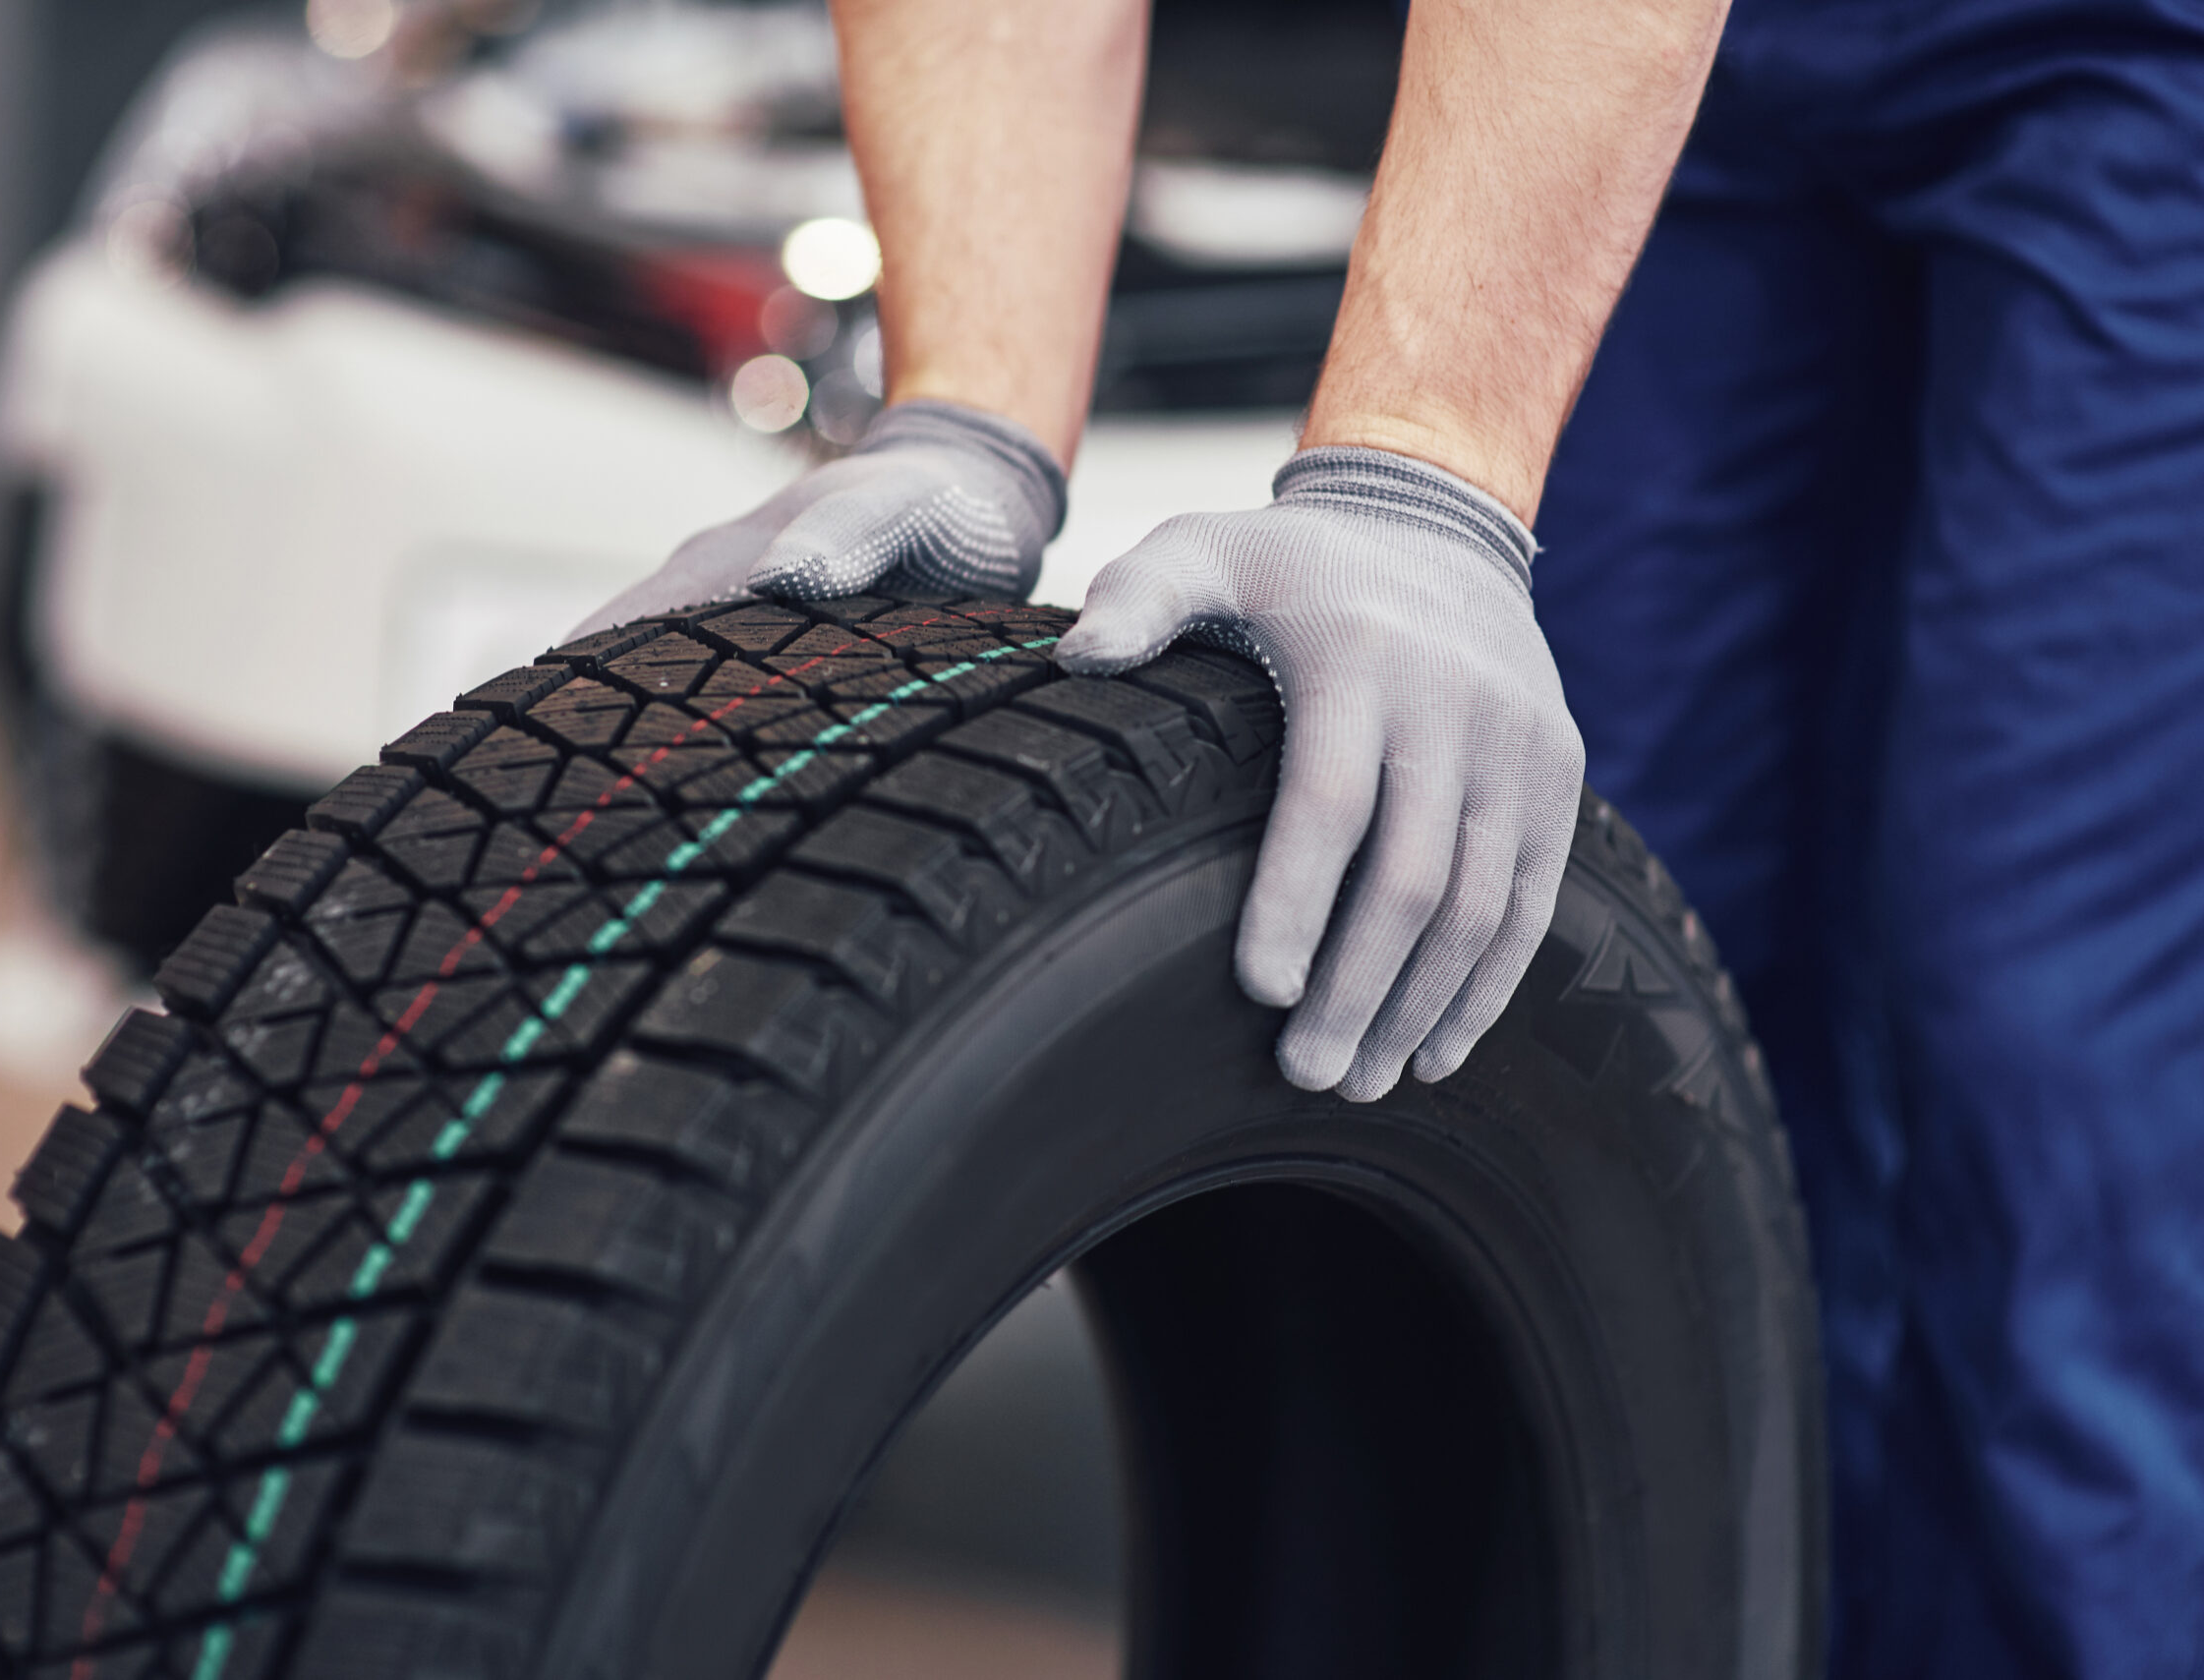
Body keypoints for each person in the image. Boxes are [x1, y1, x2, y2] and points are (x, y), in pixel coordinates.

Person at [577, 0, 2204, 1673]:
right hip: (1718, 68)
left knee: (2051, 1075)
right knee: (1596, 1001)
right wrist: (968, 409)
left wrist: (1416, 483)